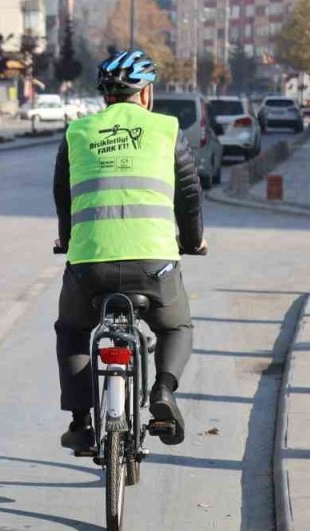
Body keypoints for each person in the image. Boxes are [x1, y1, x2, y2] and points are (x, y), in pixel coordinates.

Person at [51, 50, 206, 452]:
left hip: (89, 266)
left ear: (105, 96)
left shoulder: (77, 133)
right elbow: (189, 196)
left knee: (71, 331)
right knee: (175, 326)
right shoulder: (167, 129)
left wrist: (67, 240)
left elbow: (64, 197)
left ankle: (81, 422)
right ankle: (164, 391)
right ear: (146, 92)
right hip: (153, 266)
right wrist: (193, 242)